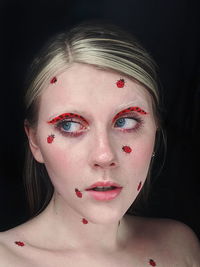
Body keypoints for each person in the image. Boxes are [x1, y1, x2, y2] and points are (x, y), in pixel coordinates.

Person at [0, 22, 199, 267]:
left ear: (156, 131)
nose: (104, 156)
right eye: (69, 125)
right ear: (35, 141)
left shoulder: (181, 246)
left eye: (126, 121)